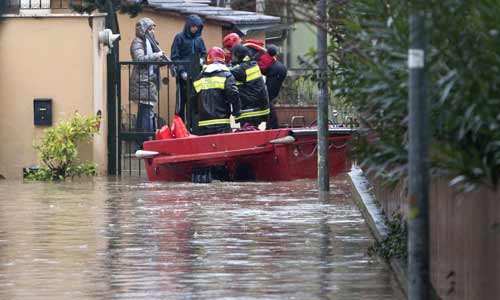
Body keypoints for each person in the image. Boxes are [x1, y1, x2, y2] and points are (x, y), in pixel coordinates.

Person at [130, 17, 167, 147]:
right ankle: (146, 142)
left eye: (153, 29)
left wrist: (163, 60)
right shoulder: (138, 42)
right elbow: (140, 59)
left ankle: (140, 142)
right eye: (150, 29)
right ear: (144, 30)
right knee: (147, 113)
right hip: (142, 82)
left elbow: (151, 62)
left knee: (143, 112)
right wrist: (156, 56)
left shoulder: (151, 43)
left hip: (149, 81)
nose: (152, 32)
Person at [193, 47, 241, 135]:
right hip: (222, 123)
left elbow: (193, 99)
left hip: (203, 124)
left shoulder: (199, 78)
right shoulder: (227, 75)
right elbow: (233, 94)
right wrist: (236, 112)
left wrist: (197, 115)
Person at [171, 14, 207, 122]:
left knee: (195, 103)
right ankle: (180, 128)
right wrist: (181, 72)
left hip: (196, 76)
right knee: (181, 104)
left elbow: (204, 53)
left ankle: (193, 128)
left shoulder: (199, 39)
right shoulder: (179, 38)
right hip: (183, 78)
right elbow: (175, 57)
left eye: (197, 27)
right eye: (193, 26)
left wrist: (202, 60)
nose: (195, 29)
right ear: (188, 26)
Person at [229, 45, 269, 128]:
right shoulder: (251, 64)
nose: (231, 57)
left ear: (238, 55)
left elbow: (226, 72)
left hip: (251, 110)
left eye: (232, 55)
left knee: (248, 133)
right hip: (257, 106)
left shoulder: (242, 69)